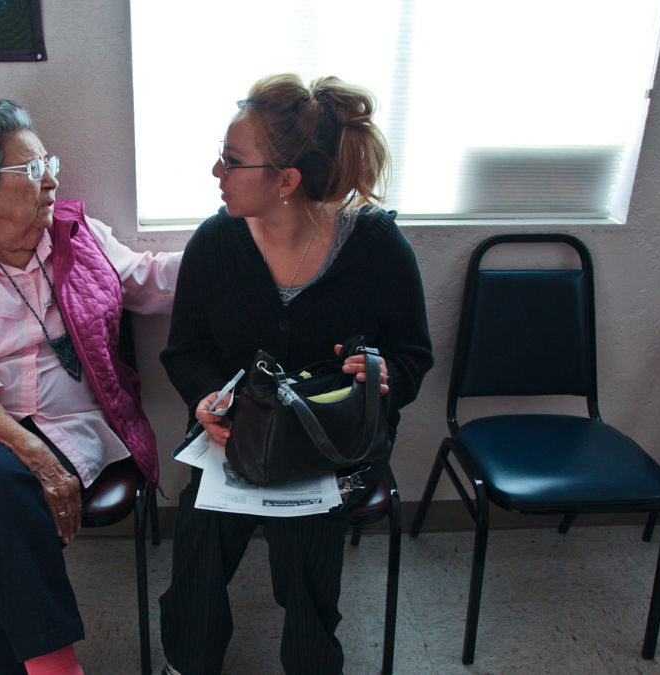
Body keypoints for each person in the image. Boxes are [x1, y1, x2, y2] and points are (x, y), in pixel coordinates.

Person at [158, 74, 434, 674]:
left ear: (286, 181)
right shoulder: (214, 243)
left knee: (308, 559)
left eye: (231, 161)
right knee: (199, 552)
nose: (216, 172)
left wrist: (383, 376)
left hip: (333, 449)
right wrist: (207, 400)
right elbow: (185, 351)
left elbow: (413, 356)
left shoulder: (378, 246)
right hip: (236, 441)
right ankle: (190, 662)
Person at [0, 97, 180, 675]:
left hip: (72, 422)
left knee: (2, 510)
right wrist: (34, 454)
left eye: (47, 161)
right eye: (31, 170)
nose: (53, 178)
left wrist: (223, 249)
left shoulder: (79, 236)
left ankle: (37, 667)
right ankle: (57, 666)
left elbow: (148, 282)